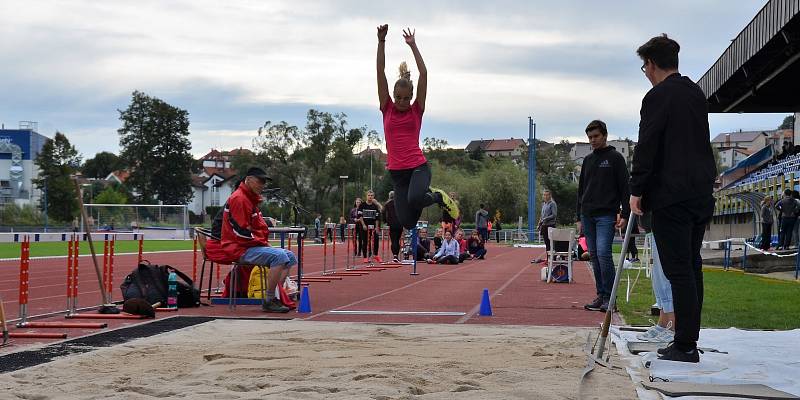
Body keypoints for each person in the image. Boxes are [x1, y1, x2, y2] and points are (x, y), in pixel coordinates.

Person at [630, 34, 717, 363]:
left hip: (671, 195)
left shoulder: (658, 96)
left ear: (651, 64)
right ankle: (688, 339)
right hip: (699, 192)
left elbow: (648, 144)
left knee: (678, 269)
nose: (646, 73)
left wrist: (636, 189)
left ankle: (684, 344)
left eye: (644, 67)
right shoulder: (695, 92)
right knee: (692, 267)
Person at [376, 24, 459, 236]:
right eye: (399, 98)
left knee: (415, 199)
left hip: (418, 167)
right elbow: (380, 71)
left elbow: (424, 73)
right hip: (398, 174)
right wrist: (381, 41)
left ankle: (438, 196)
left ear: (412, 97)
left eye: (406, 98)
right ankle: (428, 196)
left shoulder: (416, 110)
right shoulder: (387, 108)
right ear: (393, 96)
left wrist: (413, 45)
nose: (402, 102)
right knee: (409, 223)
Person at [216, 167, 297, 313]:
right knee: (279, 256)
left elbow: (255, 228)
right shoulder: (239, 199)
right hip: (238, 248)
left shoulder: (249, 199)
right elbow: (240, 233)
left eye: (264, 182)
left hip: (248, 246)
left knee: (290, 257)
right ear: (248, 180)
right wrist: (262, 243)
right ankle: (269, 300)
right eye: (260, 181)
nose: (263, 185)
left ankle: (276, 294)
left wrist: (262, 242)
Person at [577, 119, 630, 313]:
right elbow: (581, 189)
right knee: (594, 256)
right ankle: (600, 294)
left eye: (596, 136)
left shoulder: (615, 158)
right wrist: (578, 216)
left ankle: (610, 297)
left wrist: (625, 213)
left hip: (606, 215)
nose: (593, 140)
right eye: (590, 137)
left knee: (604, 254)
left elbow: (625, 187)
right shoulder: (588, 160)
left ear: (605, 135)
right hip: (587, 215)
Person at [635, 212, 675, 343]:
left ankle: (673, 325)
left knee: (666, 278)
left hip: (665, 222)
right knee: (657, 279)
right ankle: (663, 323)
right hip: (652, 227)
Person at [358, 190, 382, 262]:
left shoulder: (375, 206)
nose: (370, 197)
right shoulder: (362, 205)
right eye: (369, 195)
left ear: (373, 197)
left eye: (371, 195)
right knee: (365, 241)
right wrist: (363, 225)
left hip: (373, 226)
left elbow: (377, 218)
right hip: (364, 226)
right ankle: (365, 256)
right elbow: (360, 216)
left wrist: (377, 227)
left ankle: (375, 255)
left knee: (376, 239)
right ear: (366, 196)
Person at [384, 190, 403, 262]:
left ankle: (395, 255)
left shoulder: (387, 204)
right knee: (397, 240)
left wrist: (386, 221)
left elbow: (383, 213)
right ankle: (396, 256)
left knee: (393, 240)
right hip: (400, 224)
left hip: (391, 224)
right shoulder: (400, 203)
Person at [539, 189, 558, 257]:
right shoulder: (544, 204)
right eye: (544, 195)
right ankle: (548, 258)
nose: (545, 196)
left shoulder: (552, 203)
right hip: (544, 225)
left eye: (547, 195)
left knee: (551, 243)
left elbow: (554, 215)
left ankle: (553, 258)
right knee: (546, 243)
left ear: (550, 195)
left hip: (550, 225)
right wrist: (539, 223)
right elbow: (542, 215)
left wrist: (545, 219)